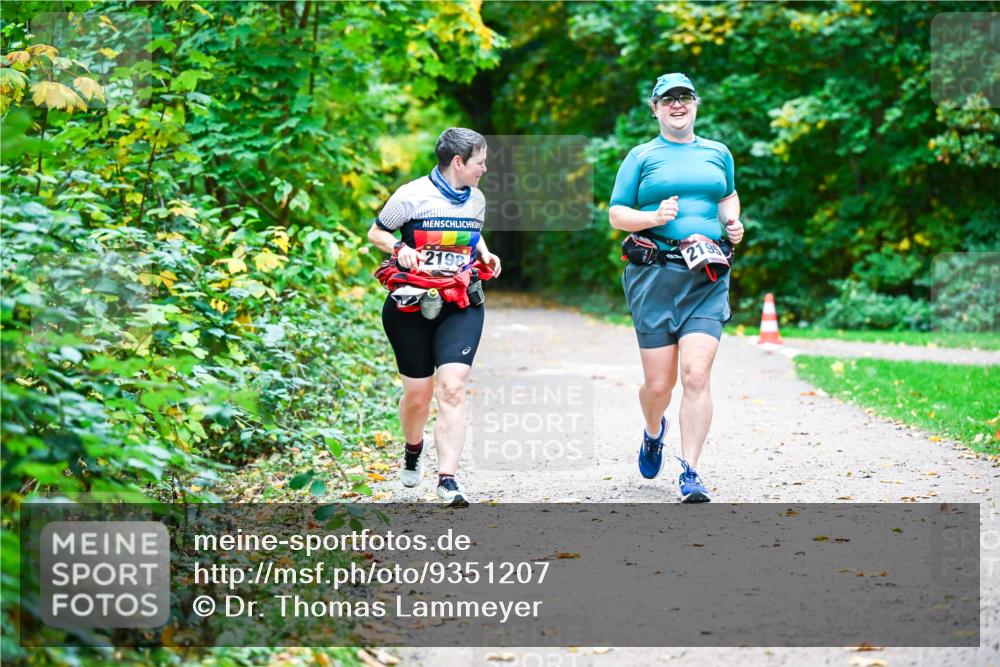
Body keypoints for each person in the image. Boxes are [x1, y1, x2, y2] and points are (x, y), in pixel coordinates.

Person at [608, 73, 744, 503]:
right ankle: (653, 432)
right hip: (655, 277)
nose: (677, 104)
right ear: (655, 108)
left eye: (684, 97)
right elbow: (616, 214)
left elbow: (728, 195)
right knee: (659, 386)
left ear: (696, 103)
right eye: (668, 99)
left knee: (697, 375)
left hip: (707, 276)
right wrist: (653, 218)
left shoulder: (718, 152)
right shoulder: (642, 156)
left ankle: (691, 471)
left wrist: (733, 222)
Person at [368, 127, 502, 507]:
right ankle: (413, 449)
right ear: (458, 162)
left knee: (453, 388)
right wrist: (400, 248)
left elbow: (472, 235)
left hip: (461, 302)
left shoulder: (476, 199)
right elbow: (376, 233)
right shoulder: (411, 195)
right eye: (479, 162)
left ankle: (448, 480)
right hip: (411, 304)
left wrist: (484, 253)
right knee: (418, 396)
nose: (484, 169)